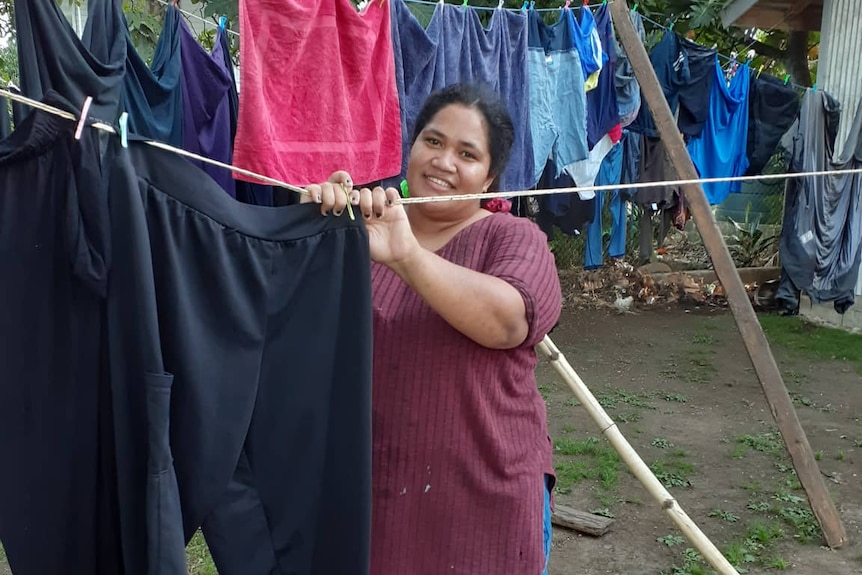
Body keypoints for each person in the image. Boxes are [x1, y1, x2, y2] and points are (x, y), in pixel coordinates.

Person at [305, 83, 562, 574]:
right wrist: (317, 225)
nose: (444, 162)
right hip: (373, 485)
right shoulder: (362, 231)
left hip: (486, 497)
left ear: (488, 179)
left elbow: (508, 321)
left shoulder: (512, 238)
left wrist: (406, 256)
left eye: (467, 154)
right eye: (434, 141)